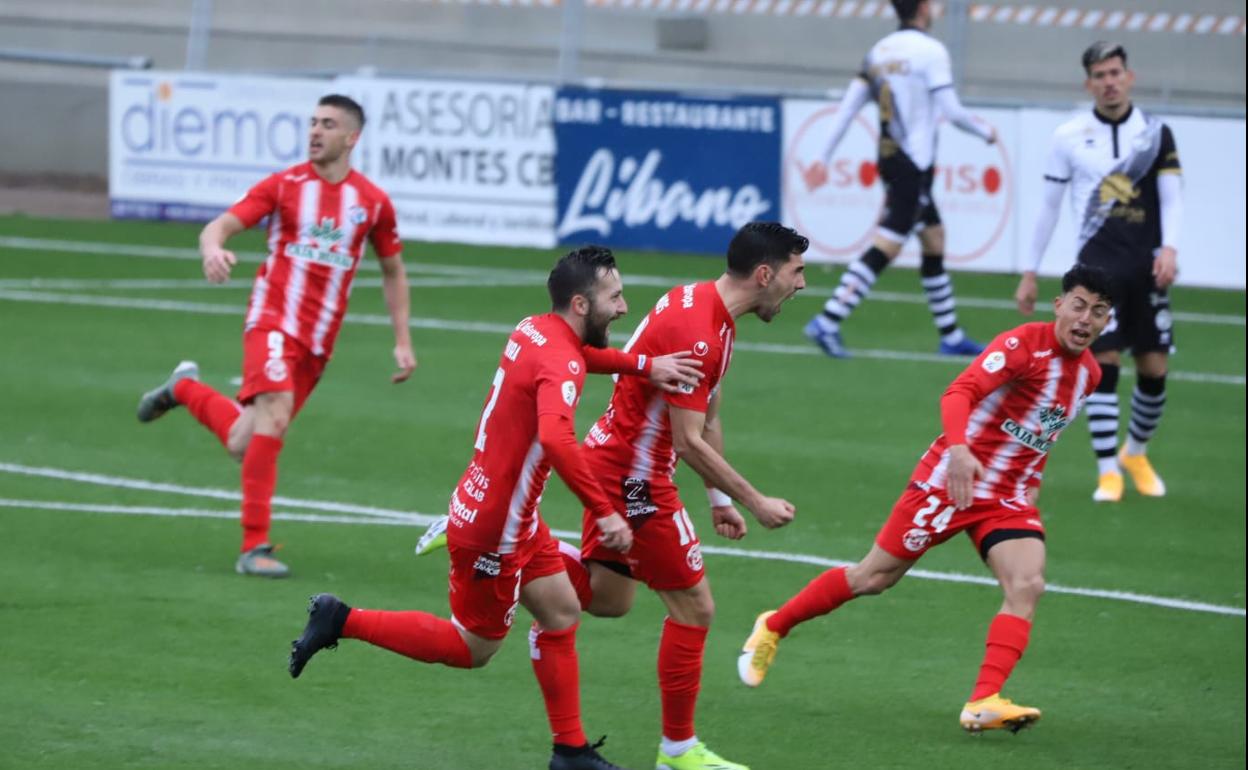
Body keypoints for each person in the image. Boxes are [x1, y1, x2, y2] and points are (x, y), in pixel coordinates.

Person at [287, 246, 704, 770]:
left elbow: (580, 358)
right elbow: (556, 437)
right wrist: (604, 511)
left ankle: (570, 752)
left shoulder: (536, 328)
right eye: (614, 297)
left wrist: (645, 365)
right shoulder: (561, 360)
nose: (623, 308)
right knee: (474, 648)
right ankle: (342, 619)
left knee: (561, 612)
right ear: (580, 304)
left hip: (508, 512)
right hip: (496, 529)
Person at [738, 264, 1114, 734]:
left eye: (1098, 312)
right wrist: (959, 451)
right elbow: (961, 391)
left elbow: (1040, 434)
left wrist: (1031, 480)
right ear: (1059, 304)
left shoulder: (1090, 375)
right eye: (1079, 305)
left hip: (1006, 497)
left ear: (1106, 320)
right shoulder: (1022, 345)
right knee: (872, 577)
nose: (1085, 319)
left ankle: (983, 701)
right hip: (948, 483)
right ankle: (774, 625)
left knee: (1027, 584)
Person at [135, 94, 414, 578]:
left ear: (351, 137)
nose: (315, 132)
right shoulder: (285, 186)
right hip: (272, 321)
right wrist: (212, 250)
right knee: (277, 411)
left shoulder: (371, 203)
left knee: (248, 441)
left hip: (318, 342)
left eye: (327, 124)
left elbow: (393, 270)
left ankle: (183, 388)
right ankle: (253, 547)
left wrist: (403, 339)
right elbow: (218, 225)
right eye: (312, 122)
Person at [562, 222, 807, 770]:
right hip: (635, 476)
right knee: (696, 608)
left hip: (618, 463)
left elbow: (708, 414)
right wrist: (755, 500)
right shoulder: (699, 327)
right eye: (796, 272)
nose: (802, 284)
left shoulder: (710, 310)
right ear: (764, 274)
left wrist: (719, 502)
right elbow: (688, 441)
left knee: (609, 598)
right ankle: (677, 751)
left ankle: (515, 549)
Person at [1015, 41, 1183, 503]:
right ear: (1088, 83)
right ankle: (1108, 471)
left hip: (1147, 269)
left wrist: (1170, 247)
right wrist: (1030, 271)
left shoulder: (1155, 133)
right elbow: (1049, 207)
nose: (1109, 82)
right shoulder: (1069, 135)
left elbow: (1172, 197)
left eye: (1115, 72)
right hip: (1096, 269)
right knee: (1102, 367)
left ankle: (1136, 453)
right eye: (1100, 75)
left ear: (1129, 76)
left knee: (1154, 370)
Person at [800, 0, 996, 359]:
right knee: (889, 241)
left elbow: (849, 107)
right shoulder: (931, 51)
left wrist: (821, 158)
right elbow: (951, 111)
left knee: (933, 239)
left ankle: (950, 335)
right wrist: (984, 131)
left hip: (889, 157)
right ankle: (828, 319)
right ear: (923, 8)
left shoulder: (878, 53)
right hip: (913, 165)